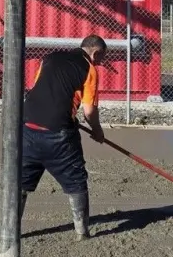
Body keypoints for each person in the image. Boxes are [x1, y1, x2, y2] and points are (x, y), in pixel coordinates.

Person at [20, 35, 107, 240]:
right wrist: (97, 130)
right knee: (76, 182)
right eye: (102, 58)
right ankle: (82, 233)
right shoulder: (89, 69)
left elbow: (41, 90)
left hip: (27, 128)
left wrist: (70, 116)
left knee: (20, 183)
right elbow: (89, 111)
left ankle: (11, 229)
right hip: (58, 136)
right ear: (95, 53)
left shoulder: (49, 58)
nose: (102, 62)